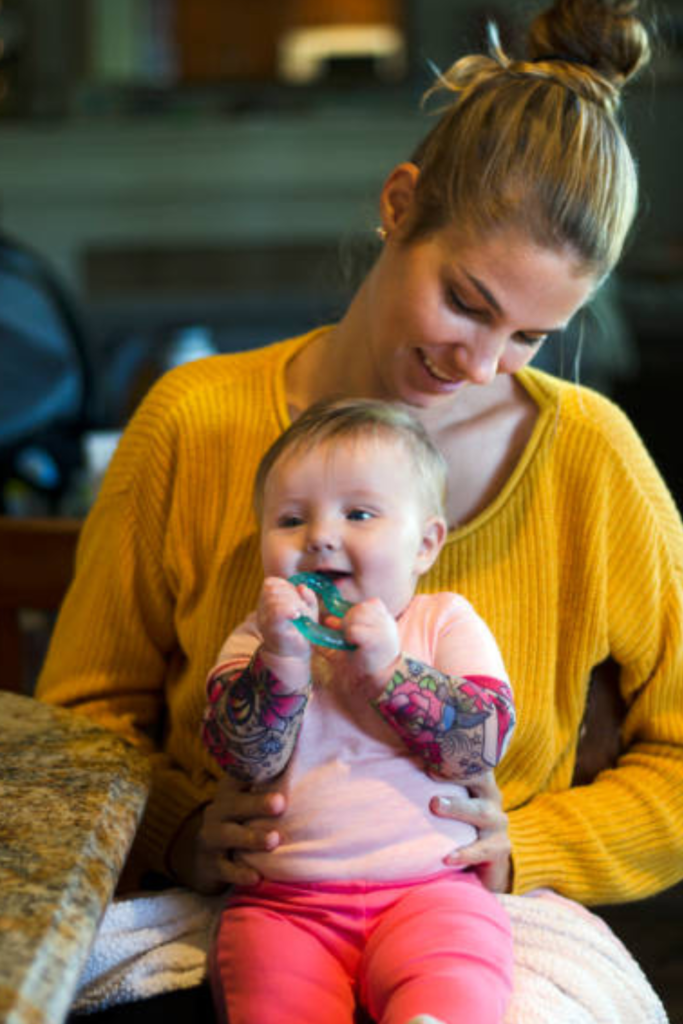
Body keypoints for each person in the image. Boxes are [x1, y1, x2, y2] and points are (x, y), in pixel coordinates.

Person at [36, 0, 683, 1017]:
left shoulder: (590, 460)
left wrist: (531, 844)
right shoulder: (192, 421)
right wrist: (179, 829)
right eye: (465, 302)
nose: (480, 364)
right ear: (398, 204)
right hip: (244, 911)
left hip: (476, 924)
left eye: (528, 337)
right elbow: (81, 720)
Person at [202, 398, 517, 1024]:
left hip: (433, 892)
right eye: (291, 519)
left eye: (359, 514)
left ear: (425, 544)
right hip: (284, 903)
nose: (319, 535)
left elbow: (482, 745)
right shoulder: (256, 639)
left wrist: (389, 671)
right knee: (266, 987)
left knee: (459, 969)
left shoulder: (444, 622)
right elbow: (241, 757)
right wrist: (281, 661)